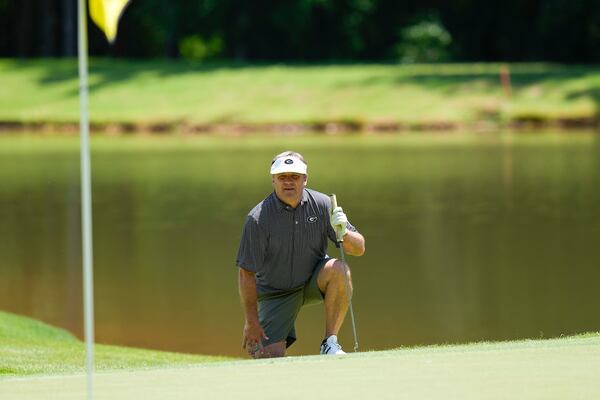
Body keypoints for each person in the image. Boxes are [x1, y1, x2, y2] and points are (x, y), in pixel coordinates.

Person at [236, 150, 366, 358]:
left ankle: (329, 343)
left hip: (311, 280)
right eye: (282, 177)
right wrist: (251, 321)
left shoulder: (323, 205)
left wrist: (344, 231)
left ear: (305, 179)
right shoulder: (258, 218)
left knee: (339, 270)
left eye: (294, 177)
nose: (288, 182)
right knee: (267, 356)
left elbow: (358, 249)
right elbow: (246, 273)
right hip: (275, 292)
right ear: (273, 180)